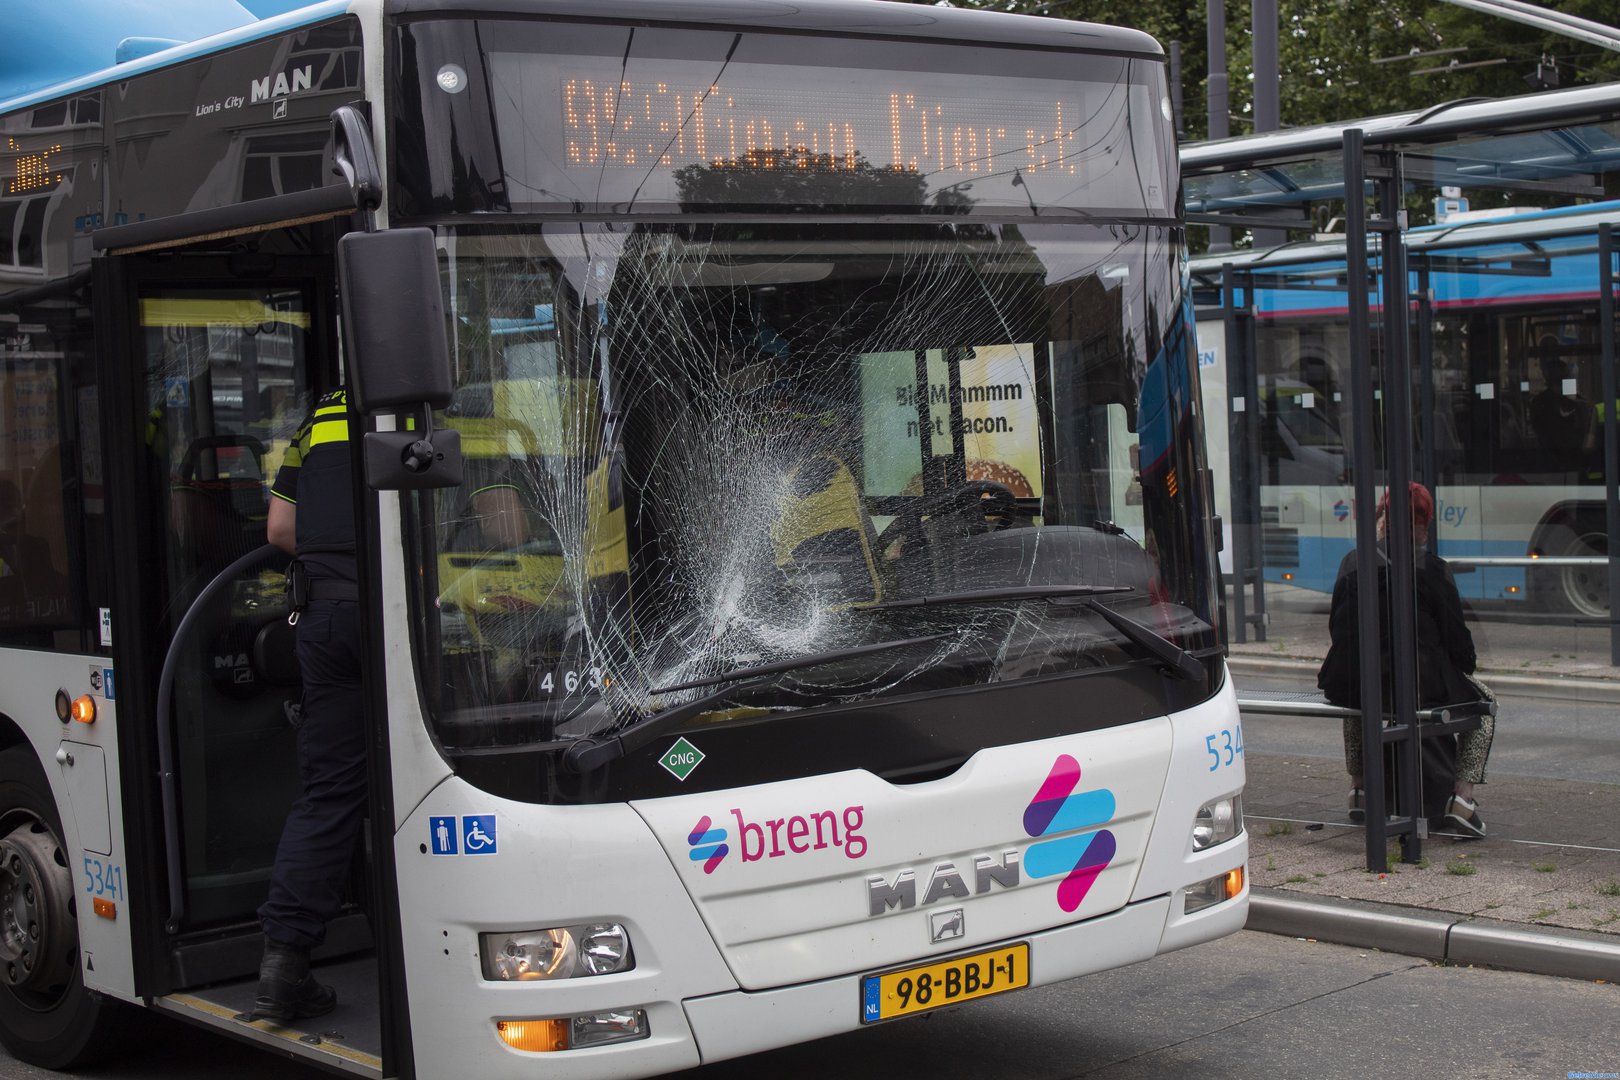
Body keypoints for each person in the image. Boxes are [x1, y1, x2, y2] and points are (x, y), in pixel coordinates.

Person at [250, 387, 362, 1022]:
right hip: (404, 625)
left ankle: (283, 967)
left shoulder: (321, 416)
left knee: (332, 792)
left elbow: (279, 528)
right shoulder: (434, 397)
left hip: (320, 622)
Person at [1316, 482, 1496, 838]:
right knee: (1486, 705)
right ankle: (1462, 800)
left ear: (1381, 519)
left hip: (1357, 679)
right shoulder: (1433, 569)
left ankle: (1360, 789)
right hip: (1418, 683)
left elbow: (1337, 625)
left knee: (1358, 701)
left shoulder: (1352, 562)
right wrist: (1461, 665)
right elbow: (1459, 643)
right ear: (1424, 525)